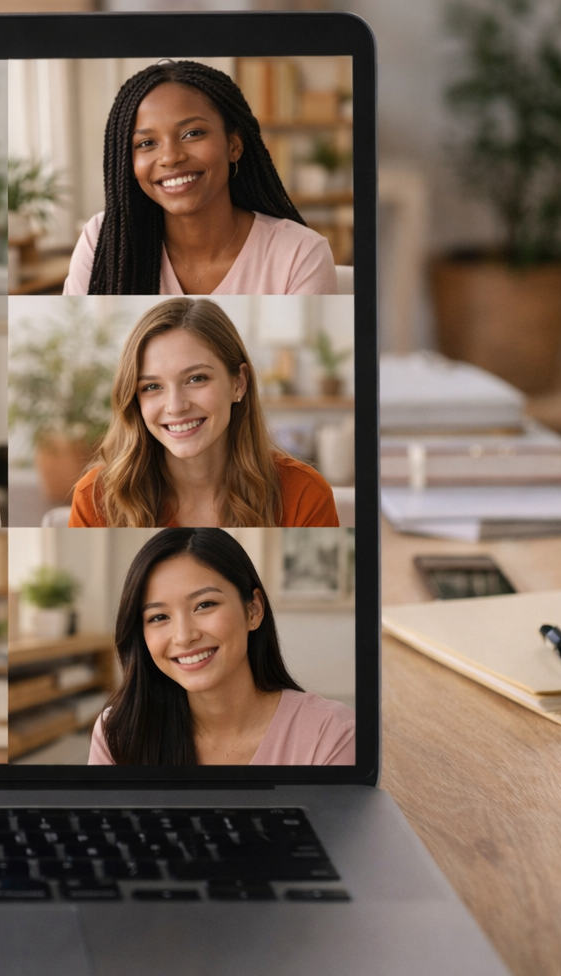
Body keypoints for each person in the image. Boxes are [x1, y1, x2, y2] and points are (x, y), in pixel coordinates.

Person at [64, 60, 337, 297]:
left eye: (193, 134)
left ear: (233, 146)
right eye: (147, 143)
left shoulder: (300, 254)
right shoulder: (102, 240)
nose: (170, 157)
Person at [89, 528, 355, 766]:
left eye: (204, 605)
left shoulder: (330, 733)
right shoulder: (118, 732)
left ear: (253, 610)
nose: (184, 636)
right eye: (159, 617)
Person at [69, 297, 338, 527]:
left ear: (239, 382)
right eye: (152, 386)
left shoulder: (304, 494)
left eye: (196, 379)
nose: (175, 406)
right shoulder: (95, 498)